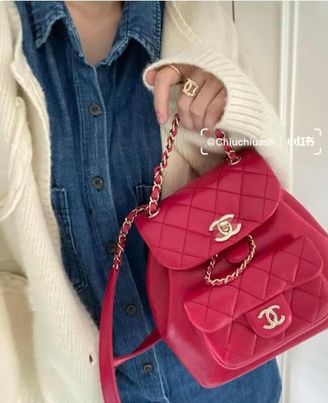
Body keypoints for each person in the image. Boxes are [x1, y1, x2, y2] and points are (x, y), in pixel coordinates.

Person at [0, 1, 290, 402]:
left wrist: (226, 107)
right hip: (81, 385)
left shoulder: (194, 15)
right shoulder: (11, 35)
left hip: (234, 367)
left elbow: (269, 180)